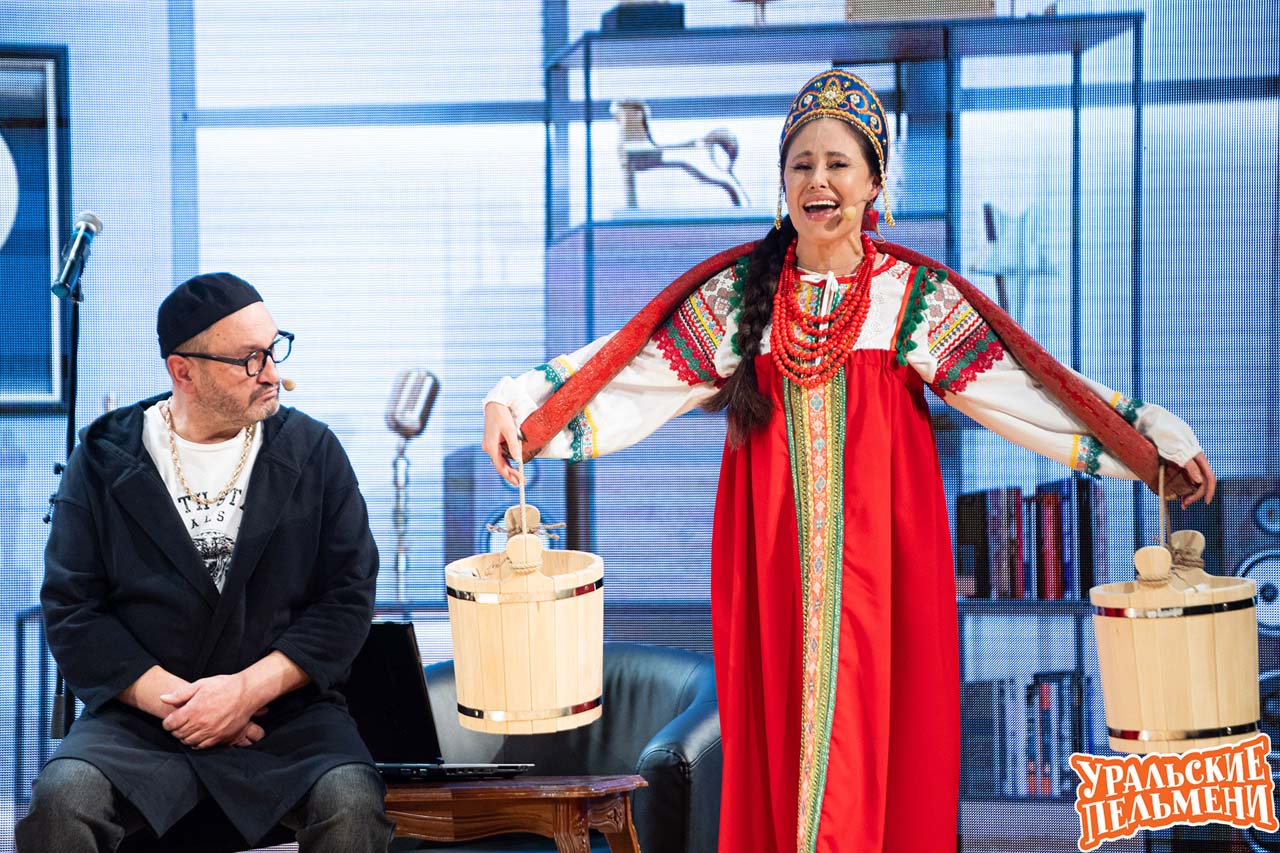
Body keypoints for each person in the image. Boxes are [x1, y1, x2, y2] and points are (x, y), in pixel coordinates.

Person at [481, 70, 1215, 853]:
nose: (819, 181)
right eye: (802, 165)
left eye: (838, 164)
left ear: (874, 183)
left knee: (877, 749)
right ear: (782, 183)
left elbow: (1028, 383)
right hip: (772, 567)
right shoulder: (740, 295)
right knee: (782, 748)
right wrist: (519, 404)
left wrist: (1148, 443)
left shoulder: (912, 297)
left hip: (884, 569)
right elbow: (631, 366)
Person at [17, 273, 394, 853]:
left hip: (284, 716)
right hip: (142, 718)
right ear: (183, 371)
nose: (271, 373)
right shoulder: (104, 456)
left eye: (274, 349)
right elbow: (74, 610)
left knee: (350, 802)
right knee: (63, 802)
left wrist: (243, 694)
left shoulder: (311, 452)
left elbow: (347, 597)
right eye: (248, 359)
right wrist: (187, 707)